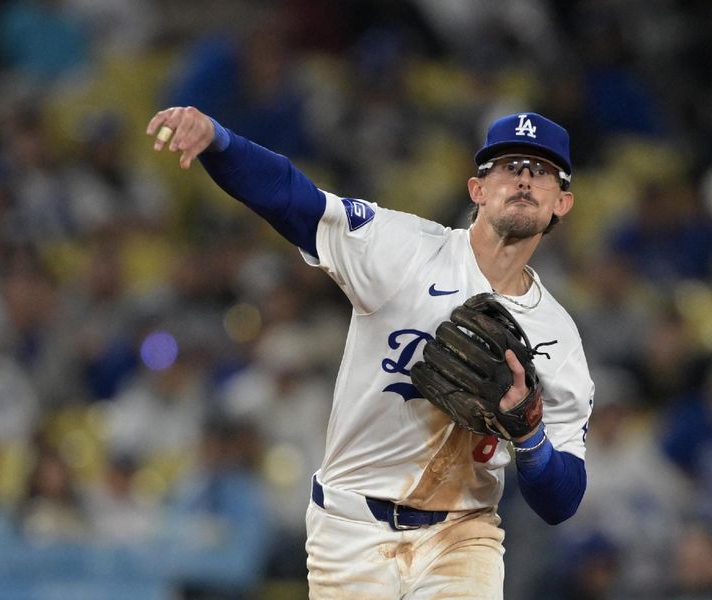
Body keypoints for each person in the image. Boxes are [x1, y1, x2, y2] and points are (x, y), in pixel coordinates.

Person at [146, 106, 594, 598]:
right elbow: (295, 200)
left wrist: (530, 437)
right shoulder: (404, 249)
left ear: (563, 203)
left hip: (463, 536)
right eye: (510, 166)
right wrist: (219, 140)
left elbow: (562, 500)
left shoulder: (557, 337)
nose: (525, 178)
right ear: (478, 190)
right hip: (350, 527)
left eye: (542, 170)